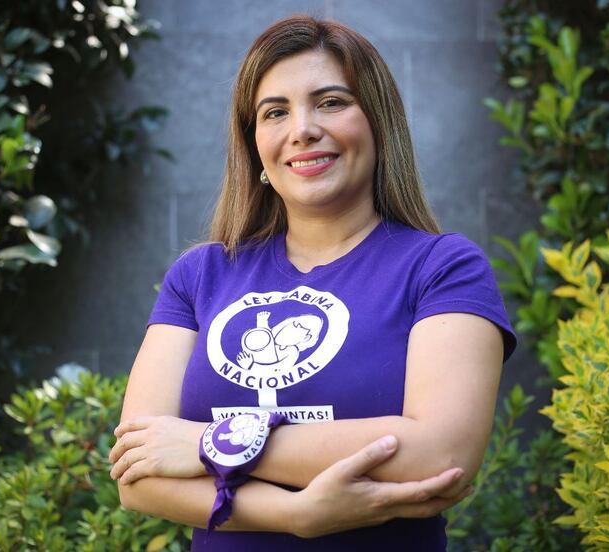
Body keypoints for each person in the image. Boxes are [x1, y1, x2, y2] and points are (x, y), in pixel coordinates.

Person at [107, 14, 517, 552]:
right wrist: (298, 514)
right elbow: (138, 474)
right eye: (275, 112)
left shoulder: (443, 268)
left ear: (378, 123)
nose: (301, 129)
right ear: (255, 145)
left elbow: (440, 454)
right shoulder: (199, 275)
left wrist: (209, 442)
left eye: (330, 102)